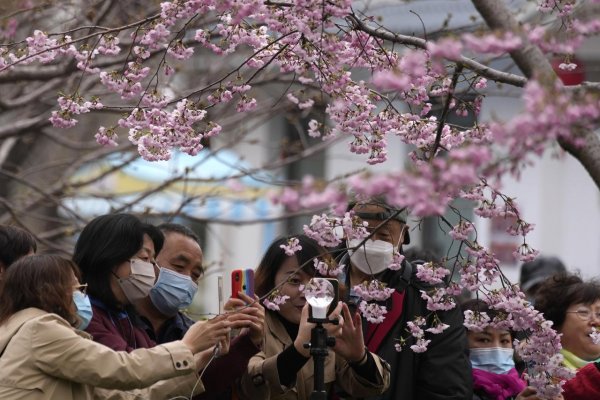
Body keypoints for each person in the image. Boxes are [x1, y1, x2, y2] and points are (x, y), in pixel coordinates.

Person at [0, 254, 231, 399]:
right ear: (48, 291)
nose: (82, 295)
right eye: (76, 287)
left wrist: (196, 363)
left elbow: (127, 397)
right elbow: (123, 368)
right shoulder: (40, 329)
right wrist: (187, 346)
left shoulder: (25, 332)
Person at [337, 199, 472, 399]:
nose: (370, 242)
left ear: (402, 236)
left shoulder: (429, 299)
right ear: (346, 230)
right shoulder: (319, 283)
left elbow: (447, 387)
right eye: (361, 233)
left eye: (383, 235)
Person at [237, 235, 390, 400]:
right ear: (270, 282)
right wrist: (298, 352)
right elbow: (249, 386)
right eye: (295, 281)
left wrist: (360, 359)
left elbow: (372, 388)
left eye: (317, 284)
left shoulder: (328, 328)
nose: (308, 293)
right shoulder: (253, 324)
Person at [134, 222, 264, 399]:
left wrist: (243, 340)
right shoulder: (117, 320)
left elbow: (206, 390)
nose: (187, 279)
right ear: (148, 261)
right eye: (179, 266)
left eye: (195, 274)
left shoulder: (195, 332)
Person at [73, 213, 161, 349]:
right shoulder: (82, 315)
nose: (152, 270)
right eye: (144, 258)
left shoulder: (127, 318)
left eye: (153, 262)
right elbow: (126, 363)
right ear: (110, 256)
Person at [461, 299, 544, 400]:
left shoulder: (520, 387)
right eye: (484, 340)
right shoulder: (454, 391)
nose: (497, 348)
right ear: (462, 343)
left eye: (504, 341)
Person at [534, 274, 600, 371]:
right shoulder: (539, 374)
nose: (596, 321)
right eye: (584, 312)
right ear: (555, 322)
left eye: (599, 314)